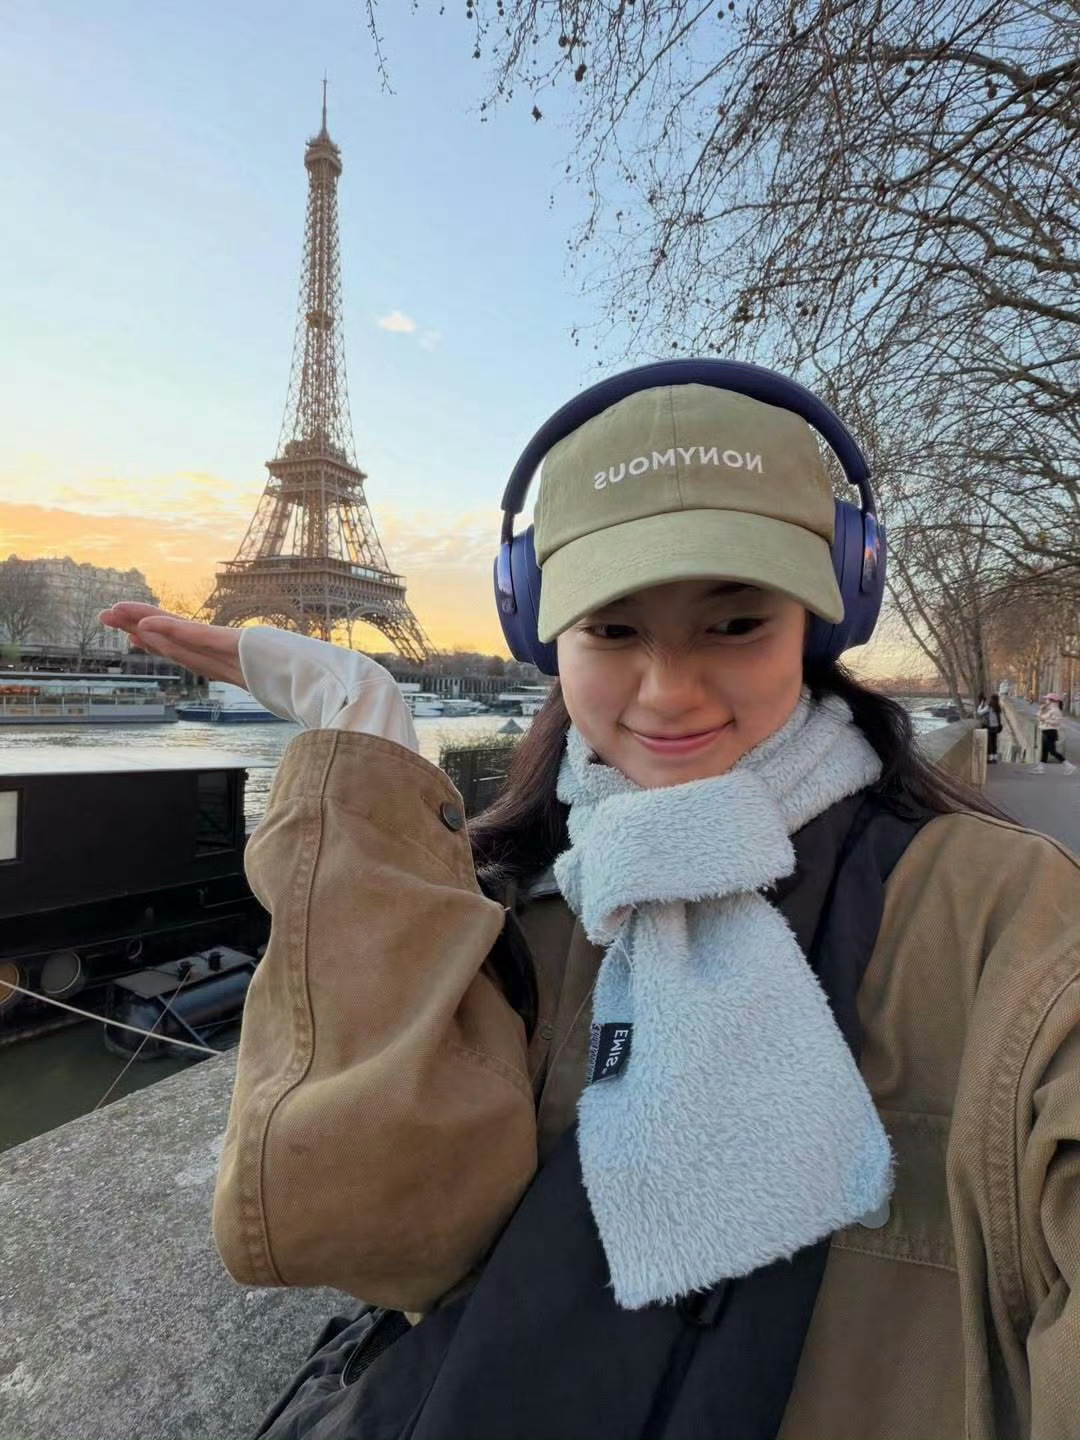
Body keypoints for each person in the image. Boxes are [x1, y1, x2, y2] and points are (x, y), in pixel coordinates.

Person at [102, 363, 1080, 1440]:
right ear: (541, 633)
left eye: (735, 623)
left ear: (823, 619)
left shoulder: (1008, 911)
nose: (669, 690)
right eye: (611, 631)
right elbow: (369, 1231)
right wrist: (367, 747)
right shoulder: (514, 904)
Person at [1038, 693, 1067, 764]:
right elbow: (1040, 717)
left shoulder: (1055, 710)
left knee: (1052, 750)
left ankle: (1064, 761)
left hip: (1051, 731)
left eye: (1047, 699)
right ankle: (1043, 762)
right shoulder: (1050, 709)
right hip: (1046, 730)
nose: (1046, 700)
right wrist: (1041, 710)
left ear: (1052, 701)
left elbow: (1057, 722)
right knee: (1044, 749)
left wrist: (1045, 720)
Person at [986, 692, 1003, 763]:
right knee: (994, 742)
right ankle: (994, 759)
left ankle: (990, 759)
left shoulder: (989, 707)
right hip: (996, 727)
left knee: (990, 743)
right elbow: (999, 718)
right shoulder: (998, 708)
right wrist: (999, 725)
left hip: (990, 727)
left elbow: (980, 712)